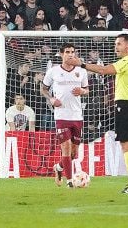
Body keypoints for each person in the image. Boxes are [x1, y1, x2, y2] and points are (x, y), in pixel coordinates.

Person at [76, 33, 128, 193]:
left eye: (119, 44)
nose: (115, 47)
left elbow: (104, 70)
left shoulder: (125, 61)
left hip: (124, 106)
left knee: (126, 145)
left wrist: (82, 64)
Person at [42, 42, 90, 187]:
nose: (70, 54)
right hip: (61, 116)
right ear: (61, 54)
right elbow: (43, 89)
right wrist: (51, 99)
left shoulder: (81, 71)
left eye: (72, 52)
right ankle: (70, 182)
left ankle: (58, 168)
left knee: (74, 153)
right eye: (67, 52)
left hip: (77, 116)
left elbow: (87, 89)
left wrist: (82, 91)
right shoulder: (53, 71)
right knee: (66, 147)